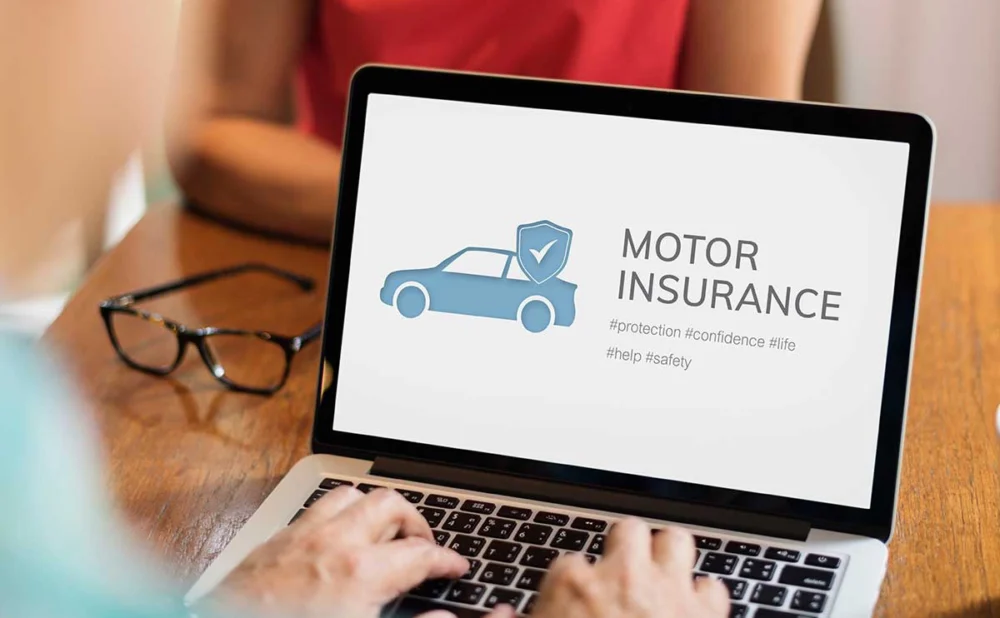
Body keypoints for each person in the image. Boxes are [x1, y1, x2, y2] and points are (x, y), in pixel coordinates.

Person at [1, 3, 730, 618]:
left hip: (641, 361)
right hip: (393, 372)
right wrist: (434, 207)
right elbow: (212, 129)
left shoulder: (29, 426)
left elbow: (748, 158)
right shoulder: (27, 443)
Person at [167, 0, 821, 244]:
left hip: (628, 290)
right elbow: (212, 132)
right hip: (356, 290)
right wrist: (443, 219)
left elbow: (745, 169)